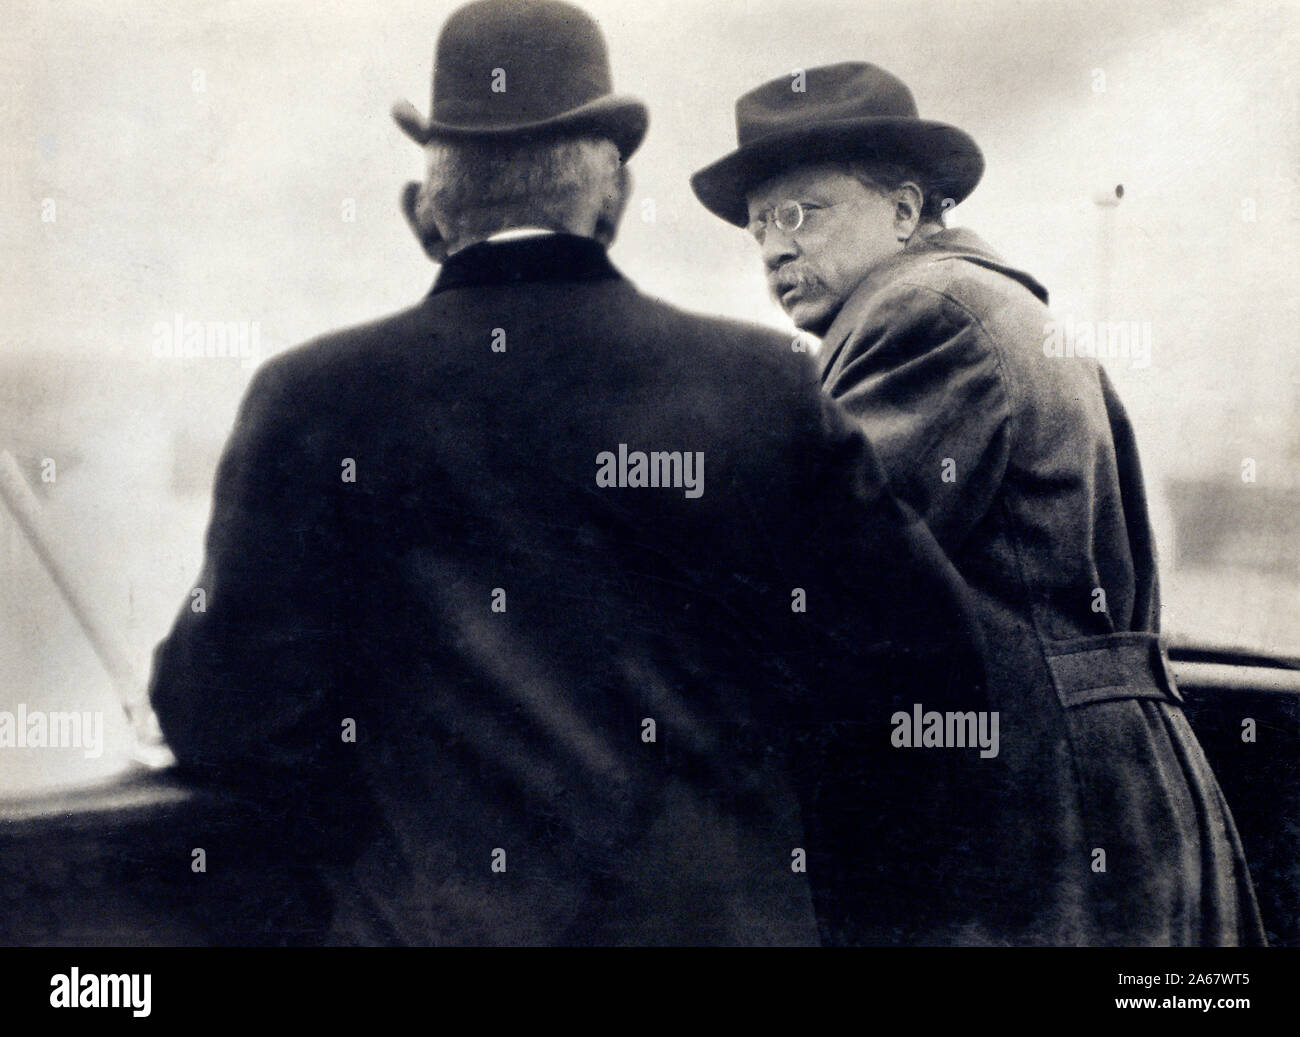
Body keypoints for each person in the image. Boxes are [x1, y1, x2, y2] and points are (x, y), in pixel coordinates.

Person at [147, 6, 981, 945]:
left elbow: (216, 712)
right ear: (613, 199)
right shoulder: (763, 385)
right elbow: (932, 680)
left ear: (425, 216)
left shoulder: (312, 400)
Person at [691, 60, 1267, 945]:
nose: (773, 244)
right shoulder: (989, 304)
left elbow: (810, 572)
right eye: (760, 222)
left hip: (1048, 816)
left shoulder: (927, 315)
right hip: (1110, 793)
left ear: (906, 210)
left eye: (802, 210)